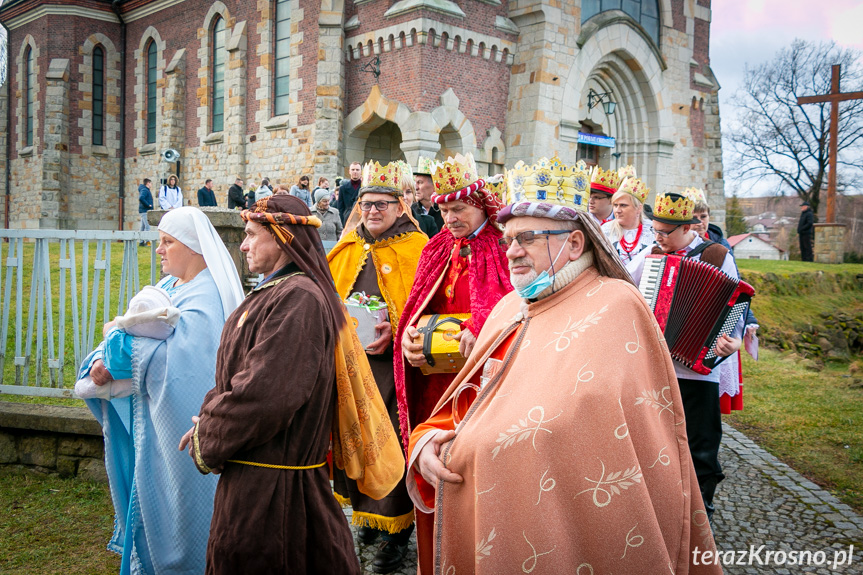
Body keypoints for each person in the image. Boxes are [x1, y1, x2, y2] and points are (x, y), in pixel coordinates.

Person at [406, 156, 720, 575]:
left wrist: (487, 444)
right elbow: (469, 400)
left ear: (574, 243)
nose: (512, 251)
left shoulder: (617, 305)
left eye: (528, 238)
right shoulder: (508, 307)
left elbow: (592, 428)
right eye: (508, 239)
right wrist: (428, 440)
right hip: (486, 493)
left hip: (557, 512)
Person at [180, 194, 404, 575]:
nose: (243, 244)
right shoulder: (275, 291)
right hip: (254, 477)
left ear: (282, 236)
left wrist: (211, 437)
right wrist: (209, 418)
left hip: (278, 497)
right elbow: (235, 375)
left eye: (251, 234)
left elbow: (266, 395)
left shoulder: (299, 299)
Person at [80, 207, 244, 575]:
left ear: (193, 247)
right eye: (160, 242)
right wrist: (106, 354)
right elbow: (123, 331)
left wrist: (119, 355)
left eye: (167, 242)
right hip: (151, 419)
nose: (159, 250)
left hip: (180, 426)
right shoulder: (170, 287)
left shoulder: (207, 296)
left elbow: (182, 366)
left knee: (182, 510)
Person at [395, 152, 512, 574]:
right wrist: (408, 337)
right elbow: (416, 305)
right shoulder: (437, 246)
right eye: (443, 209)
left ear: (480, 204)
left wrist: (483, 328)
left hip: (480, 387)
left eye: (458, 208)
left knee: (473, 478)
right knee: (433, 467)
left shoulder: (503, 246)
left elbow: (512, 307)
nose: (449, 218)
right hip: (433, 386)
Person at [328, 161, 429, 573]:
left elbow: (427, 308)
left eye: (382, 204)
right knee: (355, 437)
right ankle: (368, 515)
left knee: (391, 441)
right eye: (366, 203)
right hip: (350, 367)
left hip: (394, 372)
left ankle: (396, 533)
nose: (372, 211)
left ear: (400, 205)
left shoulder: (417, 247)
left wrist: (397, 327)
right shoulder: (348, 246)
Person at [626, 190, 745, 527]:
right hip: (656, 365)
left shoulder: (717, 254)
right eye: (655, 231)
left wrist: (730, 340)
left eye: (665, 233)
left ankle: (702, 503)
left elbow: (735, 303)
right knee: (655, 434)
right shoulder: (649, 255)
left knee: (701, 439)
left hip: (697, 368)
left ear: (688, 228)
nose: (659, 238)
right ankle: (661, 498)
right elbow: (623, 289)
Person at [75, 286, 180, 401]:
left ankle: (104, 388)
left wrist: (111, 332)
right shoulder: (167, 284)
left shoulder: (196, 297)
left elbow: (174, 349)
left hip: (158, 387)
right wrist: (101, 356)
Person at [602, 172, 655, 264]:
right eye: (615, 205)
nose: (617, 210)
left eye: (623, 205)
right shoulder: (605, 230)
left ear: (639, 208)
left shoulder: (652, 231)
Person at [412, 156, 445, 235]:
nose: (416, 187)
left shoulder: (444, 210)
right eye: (415, 183)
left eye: (420, 182)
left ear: (434, 185)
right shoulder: (412, 210)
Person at [138, 178, 154, 246]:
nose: (151, 185)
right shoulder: (145, 190)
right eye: (150, 183)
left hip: (144, 210)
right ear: (148, 183)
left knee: (142, 226)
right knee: (147, 226)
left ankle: (141, 241)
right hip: (145, 211)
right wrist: (148, 205)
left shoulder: (145, 190)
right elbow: (141, 198)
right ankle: (147, 241)